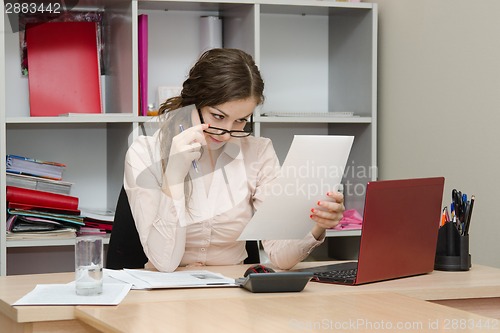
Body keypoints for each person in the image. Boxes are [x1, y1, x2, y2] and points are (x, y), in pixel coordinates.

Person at [124, 48, 345, 272]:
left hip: (234, 293)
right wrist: (173, 176)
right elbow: (164, 262)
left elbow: (280, 255)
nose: (227, 133)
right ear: (194, 102)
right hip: (164, 297)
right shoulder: (144, 153)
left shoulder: (258, 152)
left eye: (241, 120)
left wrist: (317, 225)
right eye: (218, 116)